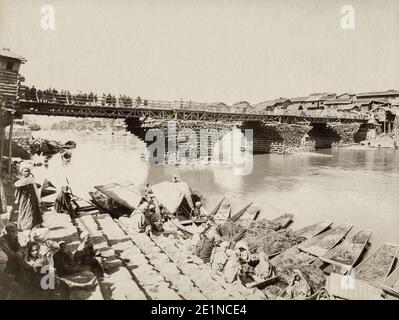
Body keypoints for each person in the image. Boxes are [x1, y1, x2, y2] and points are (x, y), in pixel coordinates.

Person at [14, 166, 43, 231]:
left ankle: (31, 224)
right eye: (24, 171)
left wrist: (39, 199)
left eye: (27, 171)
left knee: (31, 209)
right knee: (24, 210)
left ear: (29, 172)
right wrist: (17, 199)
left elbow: (36, 190)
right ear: (21, 172)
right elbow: (18, 191)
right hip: (24, 198)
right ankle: (24, 224)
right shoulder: (20, 181)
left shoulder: (32, 180)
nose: (26, 172)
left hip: (32, 198)